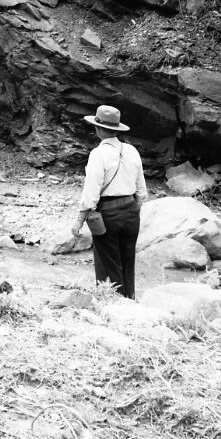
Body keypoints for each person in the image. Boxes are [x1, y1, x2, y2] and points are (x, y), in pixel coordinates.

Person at [76, 104, 149, 299]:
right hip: (132, 212)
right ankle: (129, 300)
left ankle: (113, 305)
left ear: (98, 129)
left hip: (108, 215)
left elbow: (91, 193)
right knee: (127, 261)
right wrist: (132, 210)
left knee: (108, 264)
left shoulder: (98, 154)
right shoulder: (132, 151)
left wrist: (79, 220)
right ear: (116, 129)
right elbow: (141, 191)